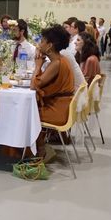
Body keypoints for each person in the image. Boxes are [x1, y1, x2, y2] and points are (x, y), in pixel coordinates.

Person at [31, 25, 75, 159]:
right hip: (62, 106)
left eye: (42, 41)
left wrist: (38, 65)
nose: (39, 44)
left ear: (50, 45)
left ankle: (39, 151)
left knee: (28, 113)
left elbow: (34, 85)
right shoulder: (60, 60)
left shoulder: (56, 63)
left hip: (58, 111)